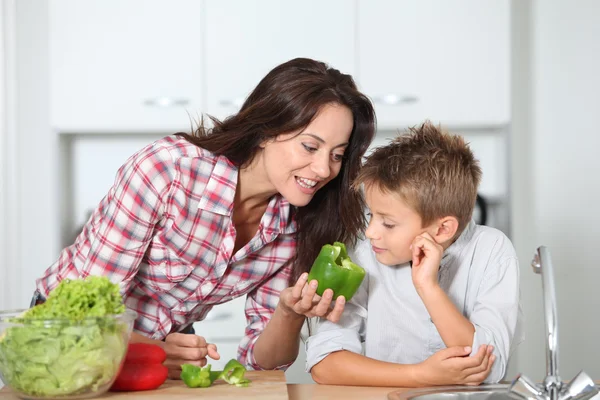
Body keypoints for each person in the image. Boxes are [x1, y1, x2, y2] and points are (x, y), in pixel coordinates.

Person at [33, 58, 376, 378]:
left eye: (337, 155)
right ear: (266, 132)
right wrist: (156, 352)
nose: (322, 169)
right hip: (62, 335)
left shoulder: (295, 225)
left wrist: (290, 313)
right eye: (310, 146)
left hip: (165, 349)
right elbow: (87, 311)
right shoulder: (168, 171)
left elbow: (263, 364)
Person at [306, 122, 524, 386]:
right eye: (370, 215)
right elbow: (324, 364)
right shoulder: (366, 256)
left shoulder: (492, 251)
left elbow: (486, 368)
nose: (371, 232)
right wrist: (420, 375)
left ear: (443, 228)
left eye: (388, 223)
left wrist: (428, 287)